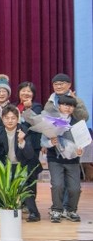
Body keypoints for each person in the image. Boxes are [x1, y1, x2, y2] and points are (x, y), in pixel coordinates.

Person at [41, 95, 86, 223]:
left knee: (75, 188)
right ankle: (56, 210)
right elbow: (43, 141)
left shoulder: (77, 123)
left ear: (74, 108)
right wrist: (51, 142)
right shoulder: (51, 121)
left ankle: (71, 210)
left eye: (71, 105)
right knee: (57, 185)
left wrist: (80, 150)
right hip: (55, 159)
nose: (67, 108)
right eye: (65, 105)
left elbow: (83, 142)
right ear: (59, 106)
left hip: (73, 160)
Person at [0, 105, 41, 222]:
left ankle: (34, 213)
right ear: (2, 119)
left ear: (17, 119)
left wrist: (21, 141)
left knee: (25, 186)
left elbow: (29, 155)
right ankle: (6, 208)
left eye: (13, 118)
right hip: (7, 165)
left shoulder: (24, 130)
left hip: (24, 165)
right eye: (7, 118)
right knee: (1, 182)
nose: (10, 121)